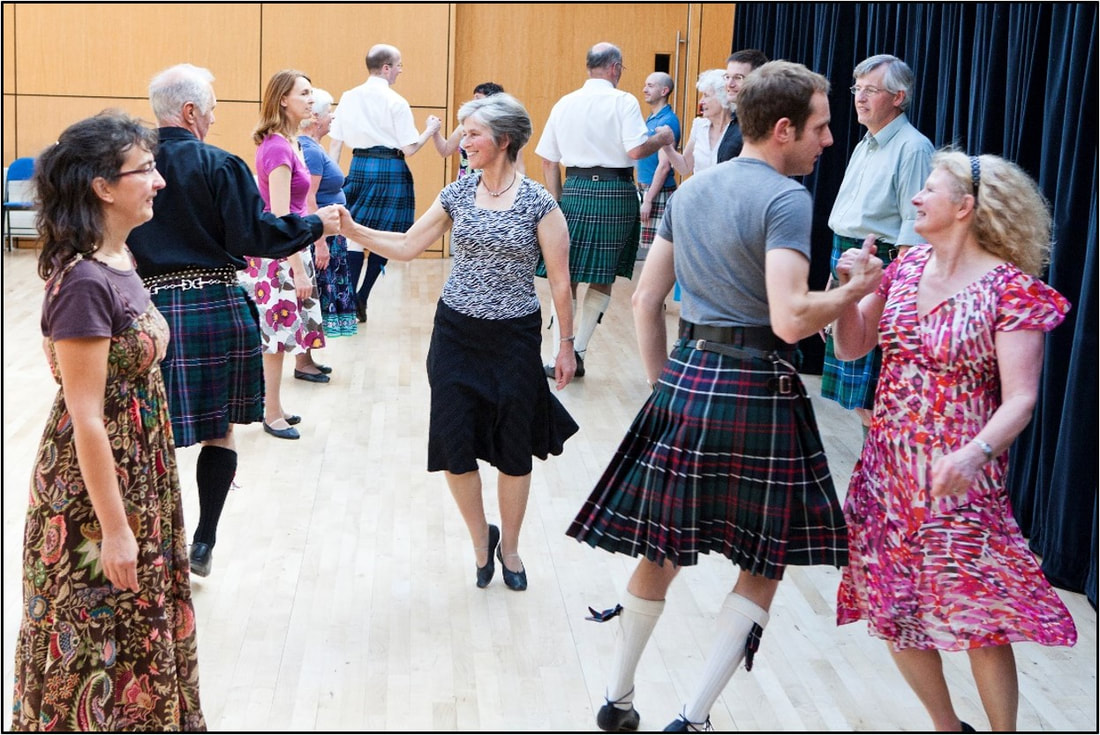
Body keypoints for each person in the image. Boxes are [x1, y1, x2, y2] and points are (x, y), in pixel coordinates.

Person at [566, 61, 884, 733]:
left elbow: (647, 300)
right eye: (822, 128)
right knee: (763, 563)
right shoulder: (788, 200)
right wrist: (853, 293)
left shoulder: (694, 191)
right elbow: (792, 317)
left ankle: (617, 697)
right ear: (783, 128)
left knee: (662, 550)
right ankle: (692, 716)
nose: (829, 141)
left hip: (688, 378)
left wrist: (664, 385)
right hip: (758, 390)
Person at [833, 151, 1077, 732]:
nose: (916, 198)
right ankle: (947, 726)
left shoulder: (1010, 290)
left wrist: (974, 453)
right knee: (894, 608)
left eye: (929, 190)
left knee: (978, 616)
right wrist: (849, 293)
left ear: (965, 208)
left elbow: (1020, 398)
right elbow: (850, 348)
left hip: (962, 477)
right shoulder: (904, 268)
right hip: (887, 471)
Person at [11, 111, 205, 730]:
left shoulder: (119, 257)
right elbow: (86, 416)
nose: (159, 181)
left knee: (136, 632)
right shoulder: (85, 283)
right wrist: (116, 530)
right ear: (102, 186)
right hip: (93, 498)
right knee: (94, 643)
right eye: (144, 170)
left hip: (138, 474)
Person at [338, 93, 578, 592]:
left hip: (513, 337)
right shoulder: (456, 194)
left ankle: (510, 548)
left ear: (504, 140)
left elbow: (559, 282)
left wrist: (566, 345)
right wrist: (354, 229)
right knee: (454, 445)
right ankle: (480, 540)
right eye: (463, 132)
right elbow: (406, 246)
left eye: (472, 133)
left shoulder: (540, 203)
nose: (462, 141)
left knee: (514, 450)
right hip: (455, 335)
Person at [128, 64, 341, 576]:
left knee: (149, 432)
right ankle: (202, 541)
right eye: (212, 109)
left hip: (145, 309)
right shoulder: (218, 163)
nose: (215, 118)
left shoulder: (128, 166)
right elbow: (256, 236)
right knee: (217, 431)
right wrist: (316, 224)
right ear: (190, 111)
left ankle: (151, 541)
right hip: (215, 306)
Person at [536, 42, 675, 378]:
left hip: (574, 191)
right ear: (615, 67)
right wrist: (662, 137)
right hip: (616, 191)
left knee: (563, 275)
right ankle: (578, 351)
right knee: (602, 276)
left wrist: (558, 203)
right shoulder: (624, 101)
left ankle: (558, 355)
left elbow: (547, 160)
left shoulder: (565, 103)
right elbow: (638, 148)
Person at [820, 54, 934, 435]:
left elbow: (914, 233)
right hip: (849, 263)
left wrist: (892, 293)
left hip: (880, 271)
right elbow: (847, 221)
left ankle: (878, 472)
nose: (860, 98)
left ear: (898, 97)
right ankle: (871, 469)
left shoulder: (913, 147)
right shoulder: (864, 144)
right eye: (858, 89)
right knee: (858, 401)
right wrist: (834, 286)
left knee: (874, 399)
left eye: (871, 90)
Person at [329, 43, 442, 324]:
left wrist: (333, 180)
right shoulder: (396, 101)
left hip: (359, 166)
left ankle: (349, 301)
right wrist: (430, 129)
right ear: (386, 68)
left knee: (354, 234)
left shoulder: (348, 97)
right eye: (399, 65)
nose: (401, 70)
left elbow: (335, 142)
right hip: (390, 167)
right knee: (386, 236)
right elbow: (410, 148)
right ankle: (362, 297)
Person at [300, 88, 358, 338]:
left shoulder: (314, 147)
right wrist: (320, 243)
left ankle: (308, 359)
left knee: (317, 300)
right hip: (321, 234)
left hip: (328, 232)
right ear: (315, 117)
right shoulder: (310, 151)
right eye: (328, 112)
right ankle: (305, 361)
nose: (332, 117)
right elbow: (308, 197)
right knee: (313, 299)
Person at [433, 82, 525, 179]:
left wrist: (522, 189)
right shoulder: (464, 126)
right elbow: (445, 150)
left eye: (477, 99)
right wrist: (435, 131)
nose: (472, 103)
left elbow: (518, 166)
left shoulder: (506, 131)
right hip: (465, 187)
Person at [636, 72, 680, 261]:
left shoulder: (667, 121)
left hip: (658, 192)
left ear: (664, 91)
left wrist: (648, 199)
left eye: (650, 86)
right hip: (647, 189)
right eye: (646, 85)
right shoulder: (652, 118)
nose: (645, 89)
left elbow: (663, 166)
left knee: (659, 253)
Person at [663, 69, 731, 175]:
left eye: (706, 95)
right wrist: (667, 146)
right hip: (699, 191)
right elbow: (684, 168)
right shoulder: (699, 126)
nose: (701, 101)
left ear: (722, 98)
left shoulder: (737, 130)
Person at [715, 49, 769, 163]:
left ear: (758, 81)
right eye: (727, 77)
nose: (730, 84)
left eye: (738, 78)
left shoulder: (761, 124)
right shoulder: (738, 119)